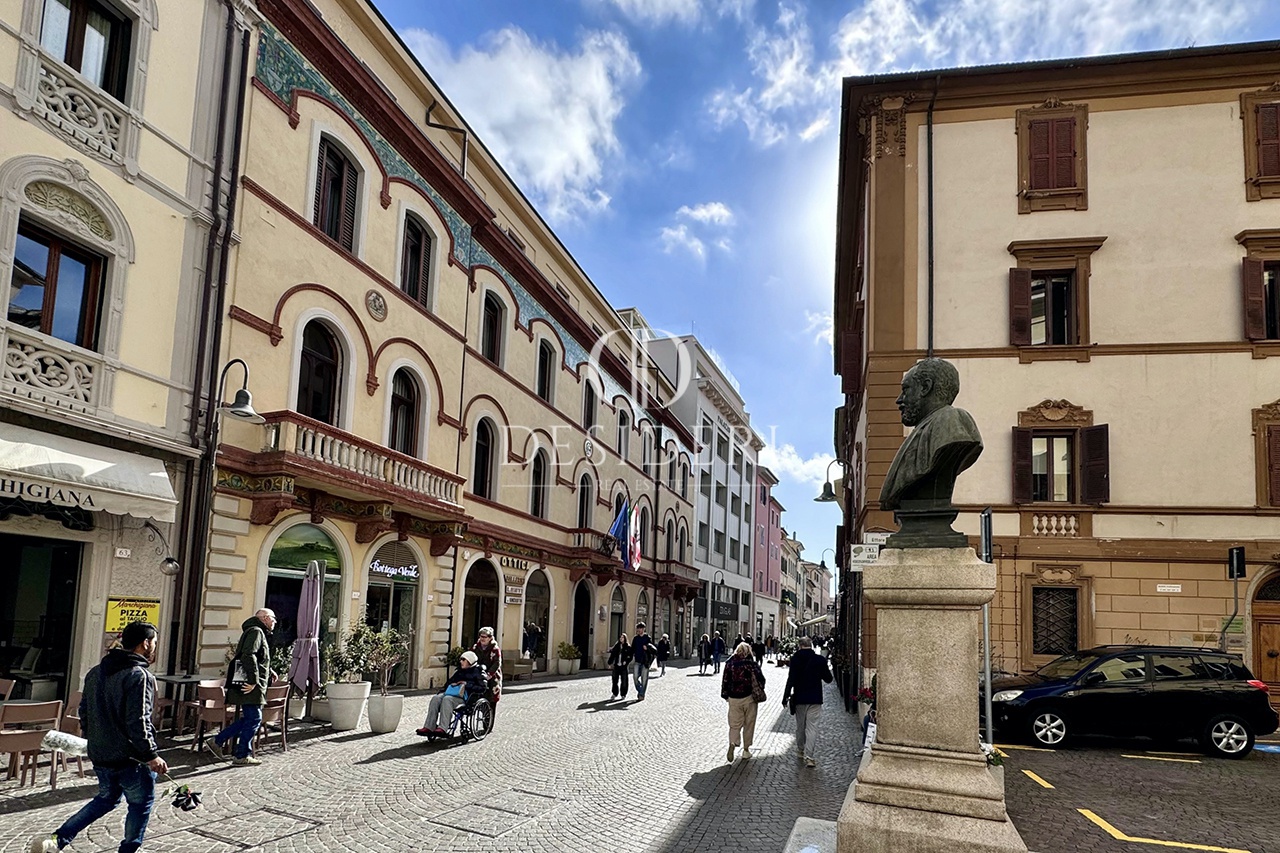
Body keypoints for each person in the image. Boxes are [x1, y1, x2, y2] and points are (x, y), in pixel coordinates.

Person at [32, 621, 168, 853]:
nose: (154, 646)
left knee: (106, 799)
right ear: (145, 643)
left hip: (101, 753)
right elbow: (140, 720)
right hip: (131, 759)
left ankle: (56, 840)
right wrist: (151, 754)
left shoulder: (96, 672)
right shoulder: (140, 676)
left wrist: (96, 739)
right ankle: (128, 850)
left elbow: (85, 712)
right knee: (140, 804)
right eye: (153, 642)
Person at [879, 357, 983, 511]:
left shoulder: (951, 422)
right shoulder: (925, 427)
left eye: (905, 390)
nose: (899, 400)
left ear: (925, 387)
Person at [208, 608, 276, 767]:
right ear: (265, 618)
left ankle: (218, 741)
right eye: (273, 618)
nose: (275, 622)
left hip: (251, 684)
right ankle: (240, 754)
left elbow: (255, 656)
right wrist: (253, 681)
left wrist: (268, 669)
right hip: (250, 686)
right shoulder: (256, 631)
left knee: (250, 718)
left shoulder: (254, 630)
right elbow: (248, 654)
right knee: (255, 718)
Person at [781, 635, 833, 768]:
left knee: (800, 726)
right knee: (812, 727)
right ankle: (810, 756)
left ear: (799, 645)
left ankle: (800, 750)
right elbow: (828, 679)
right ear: (811, 645)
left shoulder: (795, 659)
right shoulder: (819, 660)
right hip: (815, 698)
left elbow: (790, 679)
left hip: (799, 698)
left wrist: (785, 696)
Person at [416, 651, 487, 735]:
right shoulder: (459, 671)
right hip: (452, 693)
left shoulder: (478, 671)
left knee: (447, 699)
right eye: (460, 659)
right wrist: (451, 685)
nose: (461, 661)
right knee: (436, 698)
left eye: (463, 659)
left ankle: (442, 728)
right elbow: (448, 683)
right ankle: (429, 727)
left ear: (470, 661)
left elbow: (483, 688)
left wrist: (466, 684)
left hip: (467, 698)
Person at [721, 641, 765, 762]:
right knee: (749, 724)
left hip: (734, 698)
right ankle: (746, 750)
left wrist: (725, 695)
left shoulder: (730, 664)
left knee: (734, 724)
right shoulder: (752, 664)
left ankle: (733, 742)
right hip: (749, 697)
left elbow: (725, 680)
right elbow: (761, 679)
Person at [472, 626, 502, 704]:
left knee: (492, 698)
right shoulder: (476, 647)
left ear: (490, 638)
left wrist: (489, 674)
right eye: (481, 636)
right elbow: (472, 658)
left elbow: (497, 663)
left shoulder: (494, 649)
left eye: (485, 637)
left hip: (492, 676)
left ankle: (491, 715)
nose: (482, 639)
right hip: (479, 674)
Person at [631, 622, 653, 701]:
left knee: (644, 679)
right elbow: (632, 649)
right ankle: (640, 690)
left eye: (640, 628)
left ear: (643, 629)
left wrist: (647, 648)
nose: (639, 630)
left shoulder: (647, 638)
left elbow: (653, 649)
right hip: (637, 660)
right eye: (638, 628)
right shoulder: (635, 639)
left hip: (645, 662)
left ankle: (642, 694)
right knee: (635, 677)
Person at [607, 633, 632, 699]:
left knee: (624, 681)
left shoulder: (628, 647)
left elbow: (630, 656)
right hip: (617, 666)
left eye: (622, 638)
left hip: (624, 667)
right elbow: (613, 655)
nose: (621, 639)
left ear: (625, 638)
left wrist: (626, 661)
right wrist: (609, 663)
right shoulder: (617, 646)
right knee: (614, 680)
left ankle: (623, 694)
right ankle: (614, 693)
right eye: (620, 638)